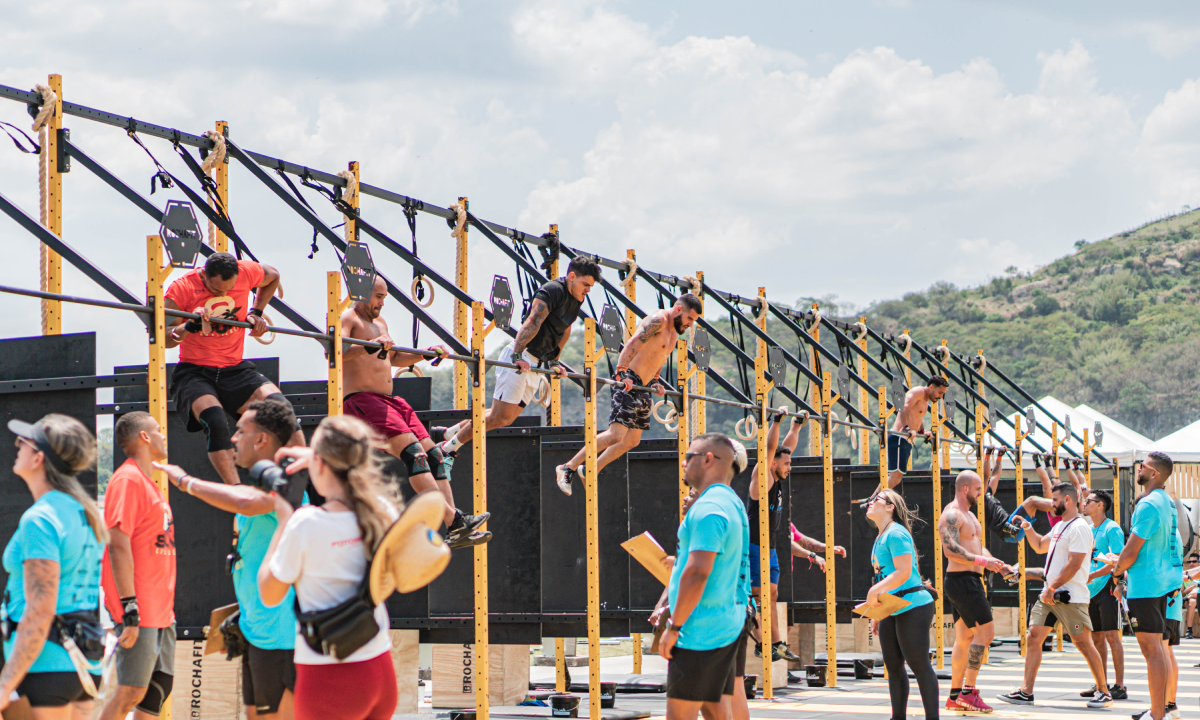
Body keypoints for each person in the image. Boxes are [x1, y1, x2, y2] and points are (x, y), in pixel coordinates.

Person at [154, 399, 302, 720]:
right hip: (258, 632)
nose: (233, 439)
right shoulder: (265, 483)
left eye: (241, 431)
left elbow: (249, 502)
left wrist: (184, 481)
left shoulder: (289, 482)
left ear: (261, 439)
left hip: (284, 638)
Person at [258, 415, 399, 720]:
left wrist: (283, 521)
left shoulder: (305, 523)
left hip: (328, 678)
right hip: (378, 670)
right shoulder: (381, 512)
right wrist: (323, 457)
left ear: (319, 465)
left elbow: (269, 594)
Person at [340, 275, 487, 549]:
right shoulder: (348, 318)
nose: (382, 303)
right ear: (361, 292)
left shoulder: (380, 323)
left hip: (389, 400)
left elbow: (394, 358)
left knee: (435, 456)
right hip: (363, 400)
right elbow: (334, 351)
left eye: (384, 297)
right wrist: (368, 346)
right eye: (378, 297)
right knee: (414, 455)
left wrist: (424, 354)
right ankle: (455, 520)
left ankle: (455, 527)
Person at [437, 256, 600, 457]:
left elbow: (564, 331)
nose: (588, 290)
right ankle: (447, 449)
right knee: (499, 417)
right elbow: (534, 320)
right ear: (572, 276)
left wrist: (554, 361)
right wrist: (516, 355)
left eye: (590, 286)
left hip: (535, 363)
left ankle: (447, 433)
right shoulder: (553, 290)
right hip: (521, 356)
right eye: (585, 284)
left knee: (505, 417)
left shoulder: (576, 300)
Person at [165, 252, 304, 486]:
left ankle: (300, 485)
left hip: (234, 368)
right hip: (195, 371)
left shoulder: (247, 271)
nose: (223, 294)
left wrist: (256, 312)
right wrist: (189, 325)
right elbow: (163, 337)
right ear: (205, 276)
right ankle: (236, 492)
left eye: (228, 290)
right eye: (217, 290)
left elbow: (273, 276)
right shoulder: (182, 288)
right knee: (215, 420)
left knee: (282, 410)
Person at [0, 415, 106, 716]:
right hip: (84, 664)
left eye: (23, 442)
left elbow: (41, 609)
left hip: (44, 666)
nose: (16, 446)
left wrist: (6, 683)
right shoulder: (84, 512)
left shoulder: (40, 519)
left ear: (38, 458)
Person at [556, 294, 703, 495]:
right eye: (690, 319)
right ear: (679, 310)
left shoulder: (674, 334)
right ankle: (568, 467)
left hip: (644, 386)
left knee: (632, 440)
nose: (690, 325)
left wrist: (655, 381)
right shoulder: (658, 320)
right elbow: (633, 344)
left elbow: (658, 357)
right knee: (616, 435)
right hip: (629, 380)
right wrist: (621, 371)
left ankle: (591, 470)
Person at [658, 433, 750, 720]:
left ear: (708, 459)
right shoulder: (731, 502)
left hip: (700, 630)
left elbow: (698, 572)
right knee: (715, 711)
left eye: (688, 456)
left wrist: (674, 627)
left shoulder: (709, 508)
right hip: (726, 623)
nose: (683, 463)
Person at [996, 483, 1112, 708]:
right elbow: (1039, 546)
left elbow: (1075, 564)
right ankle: (1026, 691)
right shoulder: (1060, 527)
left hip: (1070, 596)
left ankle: (1104, 691)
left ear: (1068, 500)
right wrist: (1029, 528)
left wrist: (1052, 587)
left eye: (1055, 500)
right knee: (1033, 638)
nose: (1052, 504)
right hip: (1049, 595)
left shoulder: (1079, 527)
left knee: (1084, 643)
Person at [98, 413, 177, 720]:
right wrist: (130, 607)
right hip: (138, 610)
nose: (163, 436)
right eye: (158, 430)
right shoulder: (127, 479)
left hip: (160, 611)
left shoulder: (148, 483)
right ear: (144, 437)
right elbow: (117, 543)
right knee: (129, 691)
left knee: (156, 692)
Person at [1109, 452, 1181, 720]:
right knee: (1159, 648)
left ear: (1154, 474)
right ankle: (1158, 710)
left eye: (1143, 466)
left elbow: (1131, 551)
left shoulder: (1149, 504)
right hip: (1163, 582)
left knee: (1152, 651)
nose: (1138, 469)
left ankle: (1157, 714)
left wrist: (1117, 573)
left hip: (1148, 585)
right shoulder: (1168, 502)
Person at [938, 470, 1012, 713]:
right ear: (966, 489)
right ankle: (969, 692)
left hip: (969, 579)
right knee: (986, 633)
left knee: (965, 638)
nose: (982, 494)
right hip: (962, 580)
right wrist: (982, 562)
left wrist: (999, 566)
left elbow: (979, 548)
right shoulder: (951, 514)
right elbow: (950, 550)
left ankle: (955, 695)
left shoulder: (971, 517)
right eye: (979, 489)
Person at [864, 488, 939, 720]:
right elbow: (885, 578)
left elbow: (904, 572)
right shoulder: (881, 535)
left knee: (919, 665)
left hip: (913, 605)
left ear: (890, 507)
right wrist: (878, 612)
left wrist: (874, 591)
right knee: (893, 667)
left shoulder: (896, 533)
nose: (870, 502)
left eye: (876, 499)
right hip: (893, 605)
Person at [746, 412, 801, 663]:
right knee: (760, 596)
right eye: (786, 464)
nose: (789, 467)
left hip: (770, 547)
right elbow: (770, 448)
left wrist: (796, 426)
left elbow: (785, 446)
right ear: (773, 464)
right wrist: (776, 422)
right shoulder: (764, 478)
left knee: (773, 594)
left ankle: (777, 642)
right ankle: (762, 642)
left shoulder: (778, 475)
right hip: (755, 546)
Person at [1076, 489, 1127, 701]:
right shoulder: (1088, 529)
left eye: (1089, 501)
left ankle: (1120, 685)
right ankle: (1101, 684)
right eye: (1084, 500)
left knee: (1112, 637)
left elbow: (1117, 560)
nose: (1084, 504)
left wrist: (1117, 583)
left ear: (1101, 505)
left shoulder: (1112, 528)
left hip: (1108, 587)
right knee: (1096, 638)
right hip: (1090, 591)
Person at [887, 376, 948, 488]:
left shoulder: (924, 400)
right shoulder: (918, 392)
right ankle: (873, 500)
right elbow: (904, 407)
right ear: (931, 387)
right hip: (899, 437)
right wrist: (906, 428)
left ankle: (872, 500)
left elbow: (917, 418)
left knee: (897, 478)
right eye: (939, 393)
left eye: (943, 394)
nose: (941, 396)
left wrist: (923, 431)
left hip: (907, 439)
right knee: (894, 477)